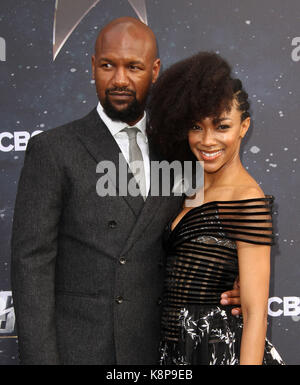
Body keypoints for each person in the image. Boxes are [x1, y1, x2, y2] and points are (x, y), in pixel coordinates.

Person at [11, 18, 241, 365]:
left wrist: (236, 282)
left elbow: (203, 234)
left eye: (133, 67)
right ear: (92, 66)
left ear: (154, 70)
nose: (119, 80)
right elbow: (31, 267)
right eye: (108, 65)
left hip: (163, 349)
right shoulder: (53, 150)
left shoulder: (182, 150)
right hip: (82, 351)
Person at [148, 52, 285, 365]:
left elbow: (253, 315)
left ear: (243, 127)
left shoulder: (246, 199)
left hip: (218, 351)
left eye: (222, 126)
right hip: (174, 351)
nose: (207, 140)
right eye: (197, 126)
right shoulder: (185, 185)